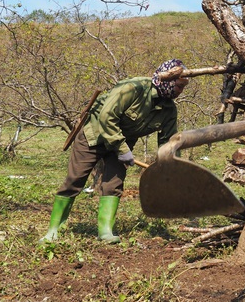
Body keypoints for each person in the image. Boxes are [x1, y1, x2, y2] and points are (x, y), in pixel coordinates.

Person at [39, 59, 189, 244]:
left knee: (114, 184)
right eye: (179, 86)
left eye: (183, 87)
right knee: (75, 179)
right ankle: (53, 230)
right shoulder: (133, 88)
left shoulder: (168, 110)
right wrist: (122, 149)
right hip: (95, 136)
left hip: (122, 145)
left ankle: (105, 231)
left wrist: (170, 168)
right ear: (168, 81)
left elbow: (169, 142)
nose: (181, 92)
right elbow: (106, 117)